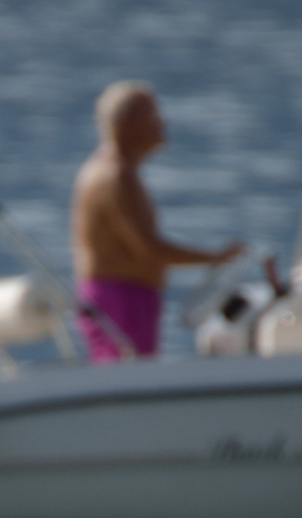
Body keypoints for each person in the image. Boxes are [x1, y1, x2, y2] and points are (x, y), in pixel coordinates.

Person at [71, 81, 244, 362]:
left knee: (134, 375)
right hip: (120, 299)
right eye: (153, 116)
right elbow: (148, 248)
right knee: (127, 380)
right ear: (128, 122)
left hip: (126, 297)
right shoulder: (115, 176)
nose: (162, 123)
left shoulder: (118, 171)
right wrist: (215, 257)